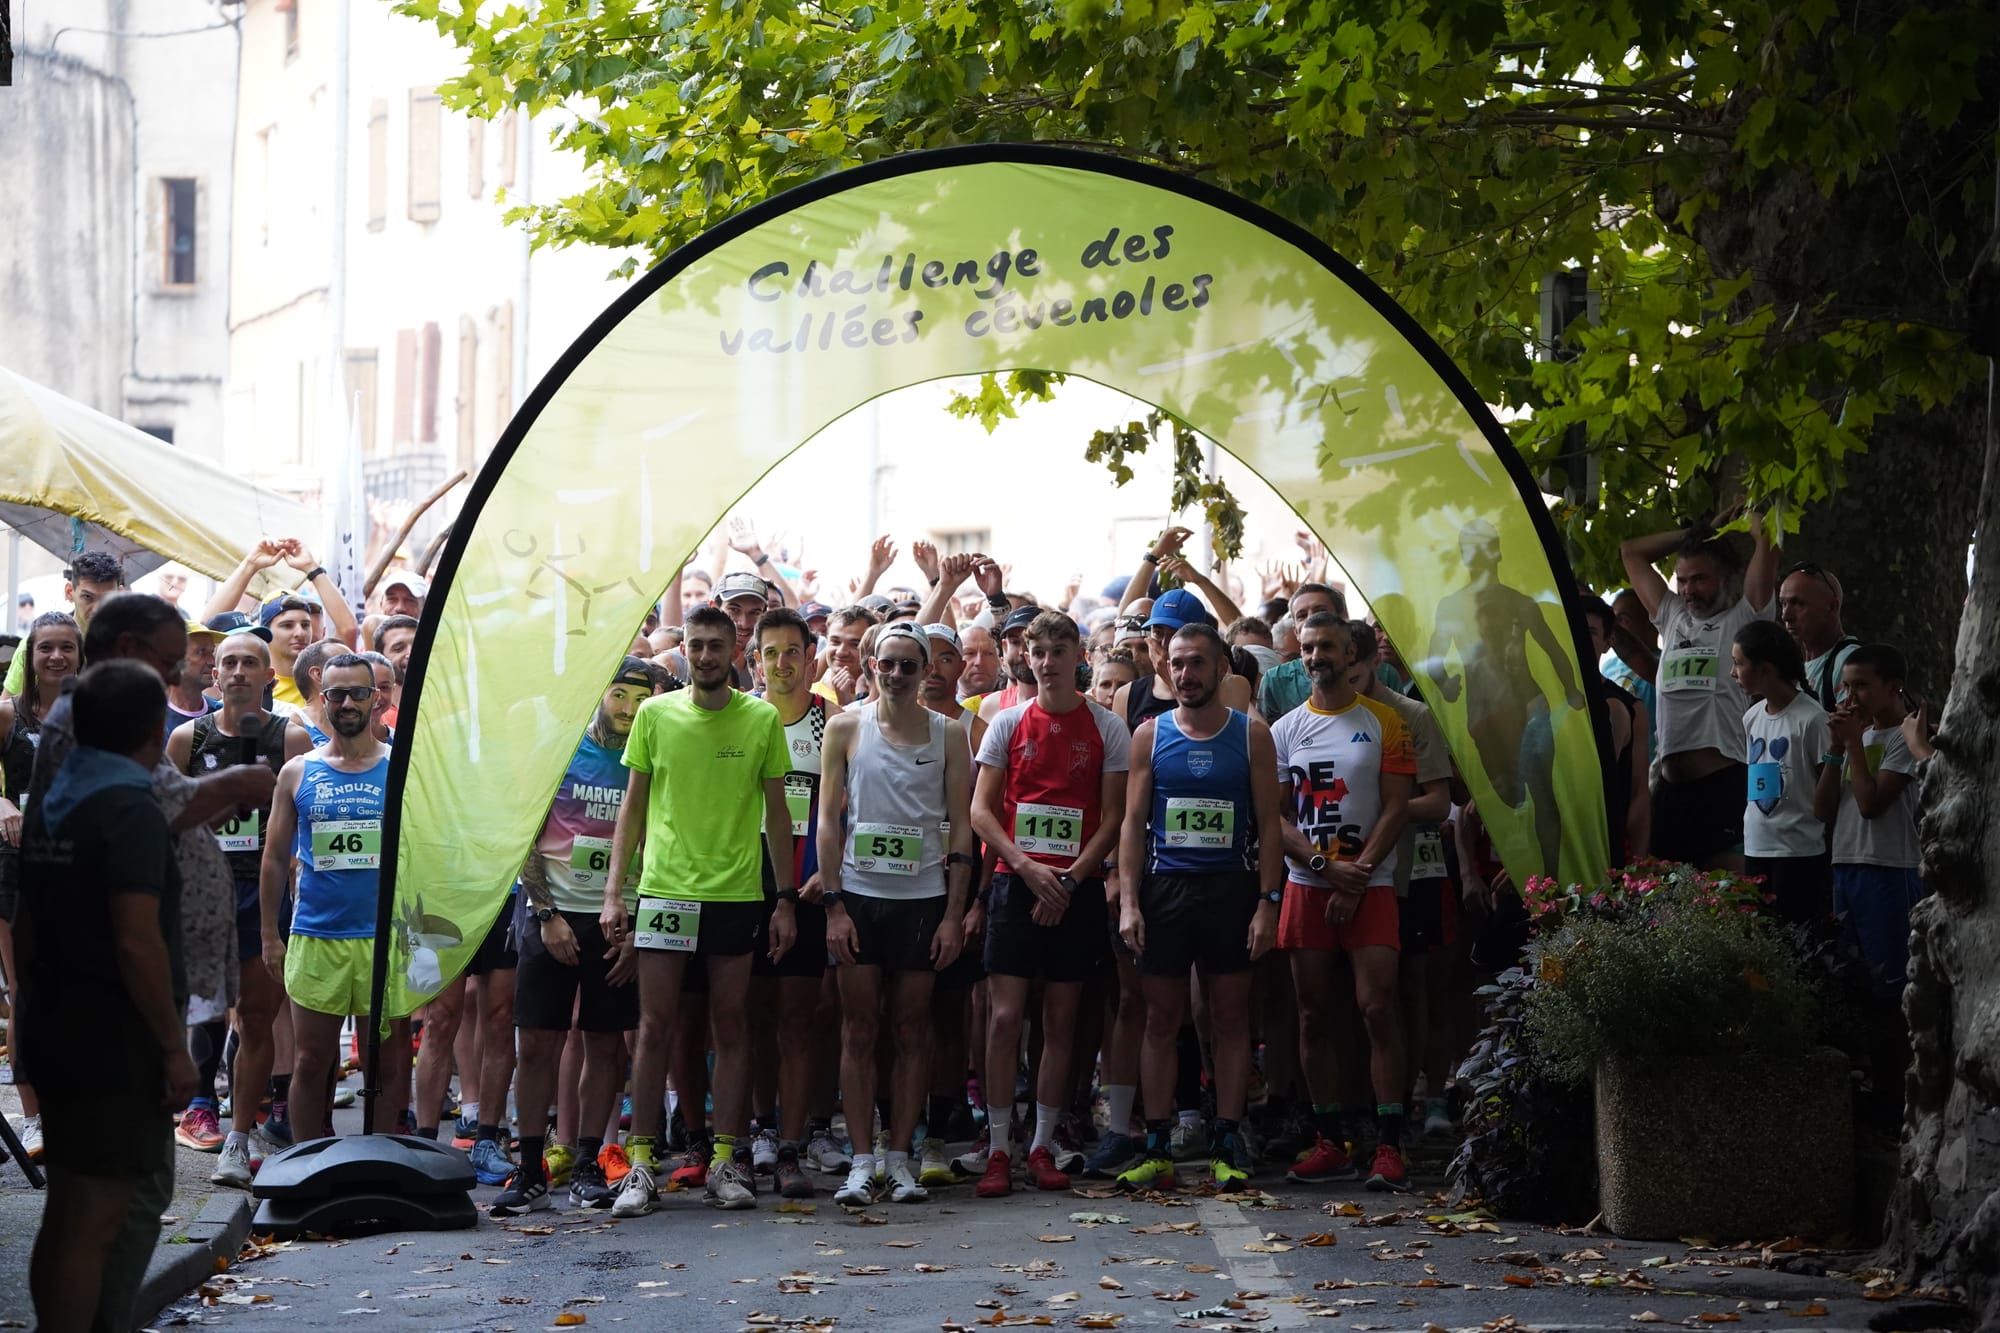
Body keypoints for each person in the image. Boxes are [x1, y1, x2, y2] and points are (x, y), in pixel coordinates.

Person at [601, 604, 797, 1217]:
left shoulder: (761, 717)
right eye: (697, 645)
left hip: (737, 894)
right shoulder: (656, 714)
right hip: (665, 892)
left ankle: (723, 1161)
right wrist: (616, 892)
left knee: (730, 1026)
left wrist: (785, 899)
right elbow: (631, 808)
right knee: (655, 1026)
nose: (707, 655)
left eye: (717, 645)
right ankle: (640, 1165)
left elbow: (779, 815)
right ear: (683, 650)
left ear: (736, 649)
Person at [17, 660, 194, 1333]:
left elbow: (30, 922)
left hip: (57, 1019)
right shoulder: (128, 806)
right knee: (94, 1217)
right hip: (111, 1034)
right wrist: (174, 1049)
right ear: (156, 727)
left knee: (68, 1211)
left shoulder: (58, 794)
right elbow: (136, 938)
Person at [1114, 622, 1284, 1191]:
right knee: (1162, 1019)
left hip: (1230, 891)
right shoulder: (1149, 735)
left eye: (1197, 664)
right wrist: (1130, 903)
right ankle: (1159, 1148)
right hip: (1166, 891)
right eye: (1177, 664)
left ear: (1221, 670)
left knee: (1231, 1020)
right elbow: (1132, 826)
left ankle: (1227, 1142)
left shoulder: (1252, 735)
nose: (1185, 674)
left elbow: (1269, 826)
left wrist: (1267, 904)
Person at [969, 611, 1130, 1197]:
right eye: (1038, 651)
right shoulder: (1005, 722)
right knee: (1005, 1017)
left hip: (1076, 889)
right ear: (1027, 658)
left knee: (1060, 1020)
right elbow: (981, 812)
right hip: (1018, 882)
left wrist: (1069, 880)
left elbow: (1113, 817)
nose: (1048, 660)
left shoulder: (1107, 727)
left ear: (1078, 655)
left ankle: (1041, 1144)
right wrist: (1029, 869)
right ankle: (996, 1147)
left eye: (1059, 650)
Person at [817, 622, 976, 1204]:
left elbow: (962, 825)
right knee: (858, 1028)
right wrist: (834, 905)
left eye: (911, 665)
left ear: (927, 668)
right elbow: (827, 822)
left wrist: (954, 912)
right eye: (889, 664)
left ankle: (901, 1156)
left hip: (923, 899)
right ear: (871, 665)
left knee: (913, 1029)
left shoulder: (949, 734)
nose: (899, 674)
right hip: (859, 896)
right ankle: (863, 1159)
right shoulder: (845, 726)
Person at [490, 660, 652, 1215]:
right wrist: (546, 912)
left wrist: (637, 927)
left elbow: (661, 845)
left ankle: (586, 1162)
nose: (628, 709)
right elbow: (524, 837)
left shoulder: (651, 759)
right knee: (536, 1043)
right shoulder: (557, 752)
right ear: (599, 692)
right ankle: (531, 1164)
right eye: (619, 694)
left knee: (604, 1045)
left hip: (618, 920)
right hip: (550, 914)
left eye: (640, 698)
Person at [1273, 613, 1416, 1190]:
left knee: (1377, 1007)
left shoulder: (1388, 722)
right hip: (1309, 884)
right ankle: (1329, 1139)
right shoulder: (1283, 729)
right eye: (1307, 648)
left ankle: (1388, 1143)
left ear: (1350, 653)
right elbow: (1278, 816)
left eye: (1326, 647)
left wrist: (1356, 876)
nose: (1315, 657)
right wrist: (1325, 869)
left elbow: (1397, 806)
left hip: (1371, 883)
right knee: (1312, 1013)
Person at [167, 630, 310, 1184]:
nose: (239, 672)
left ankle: (239, 1136)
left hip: (262, 894)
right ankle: (199, 1101)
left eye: (251, 663)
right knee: (200, 1014)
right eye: (229, 662)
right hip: (203, 895)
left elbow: (303, 821)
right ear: (214, 674)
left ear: (268, 675)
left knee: (254, 1017)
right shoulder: (186, 738)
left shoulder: (289, 738)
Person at [260, 654, 410, 1142]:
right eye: (337, 694)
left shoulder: (402, 768)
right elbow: (275, 859)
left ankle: (383, 1154)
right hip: (316, 935)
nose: (347, 703)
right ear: (323, 700)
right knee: (310, 1059)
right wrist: (269, 935)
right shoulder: (297, 772)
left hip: (383, 935)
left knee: (385, 1058)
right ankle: (305, 1163)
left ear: (376, 699)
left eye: (358, 693)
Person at [1424, 520, 1587, 878]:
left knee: (1541, 792)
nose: (1476, 554)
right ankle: (1516, 871)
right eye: (1469, 546)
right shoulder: (1452, 606)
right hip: (1483, 716)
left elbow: (1555, 649)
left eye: (1483, 545)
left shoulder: (1521, 603)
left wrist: (1571, 689)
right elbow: (1434, 654)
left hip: (1529, 706)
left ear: (1496, 551)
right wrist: (1445, 683)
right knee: (1507, 796)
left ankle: (1550, 881)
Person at [1621, 515, 1778, 870]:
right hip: (1670, 791)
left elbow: (1767, 538)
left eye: (1700, 579)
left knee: (1727, 905)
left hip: (1722, 785)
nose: (1688, 589)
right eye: (1682, 580)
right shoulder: (1673, 617)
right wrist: (1696, 534)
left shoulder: (1744, 619)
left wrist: (1740, 524)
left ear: (1726, 579)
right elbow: (1631, 552)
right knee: (1669, 907)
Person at [747, 606, 833, 1200]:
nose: (782, 664)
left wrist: (829, 870)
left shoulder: (834, 722)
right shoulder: (741, 719)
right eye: (770, 653)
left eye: (792, 652)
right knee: (750, 1020)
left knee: (799, 1022)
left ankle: (793, 1144)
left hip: (806, 889)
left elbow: (843, 808)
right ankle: (756, 1130)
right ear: (755, 660)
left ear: (811, 657)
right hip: (742, 887)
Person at [0, 612, 83, 1164]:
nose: (55, 657)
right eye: (45, 648)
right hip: (17, 871)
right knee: (27, 997)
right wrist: (3, 802)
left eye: (66, 649)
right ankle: (33, 1122)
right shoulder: (8, 713)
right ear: (29, 657)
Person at [1814, 646, 1924, 995]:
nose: (1850, 698)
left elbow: (1870, 804)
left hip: (1889, 867)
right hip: (1846, 863)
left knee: (1891, 980)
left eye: (1860, 686)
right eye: (1845, 687)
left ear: (1894, 688)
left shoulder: (1907, 737)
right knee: (1851, 975)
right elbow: (1822, 810)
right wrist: (1835, 748)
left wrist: (1852, 746)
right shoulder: (1855, 736)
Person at [1731, 620, 1832, 927]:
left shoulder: (1812, 719)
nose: (1733, 673)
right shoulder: (1751, 717)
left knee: (1795, 935)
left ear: (1765, 669)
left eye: (1739, 664)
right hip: (1757, 844)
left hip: (1799, 850)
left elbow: (1827, 786)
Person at [1579, 597, 1652, 864]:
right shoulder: (1541, 703)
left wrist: (1639, 861)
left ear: (1609, 641)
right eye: (1572, 629)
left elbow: (1638, 792)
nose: (1579, 639)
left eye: (1589, 632)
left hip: (1605, 849)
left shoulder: (1629, 708)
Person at [2, 551, 122, 699]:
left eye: (107, 598)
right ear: (69, 592)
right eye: (87, 597)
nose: (97, 608)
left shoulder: (130, 649)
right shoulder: (35, 645)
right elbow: (6, 710)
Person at [1255, 582, 1348, 722]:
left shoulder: (1375, 670)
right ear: (1296, 632)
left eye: (1320, 611)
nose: (1310, 619)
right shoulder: (1276, 681)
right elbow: (1267, 738)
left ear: (1343, 619)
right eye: (1302, 615)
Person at [1778, 563, 1860, 712]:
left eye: (1799, 603)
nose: (1786, 615)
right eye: (1783, 604)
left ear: (1832, 607)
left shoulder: (1848, 662)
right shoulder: (1796, 666)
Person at [166, 622, 225, 732]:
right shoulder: (148, 717)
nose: (212, 661)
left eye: (212, 651)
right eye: (201, 652)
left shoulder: (221, 714)